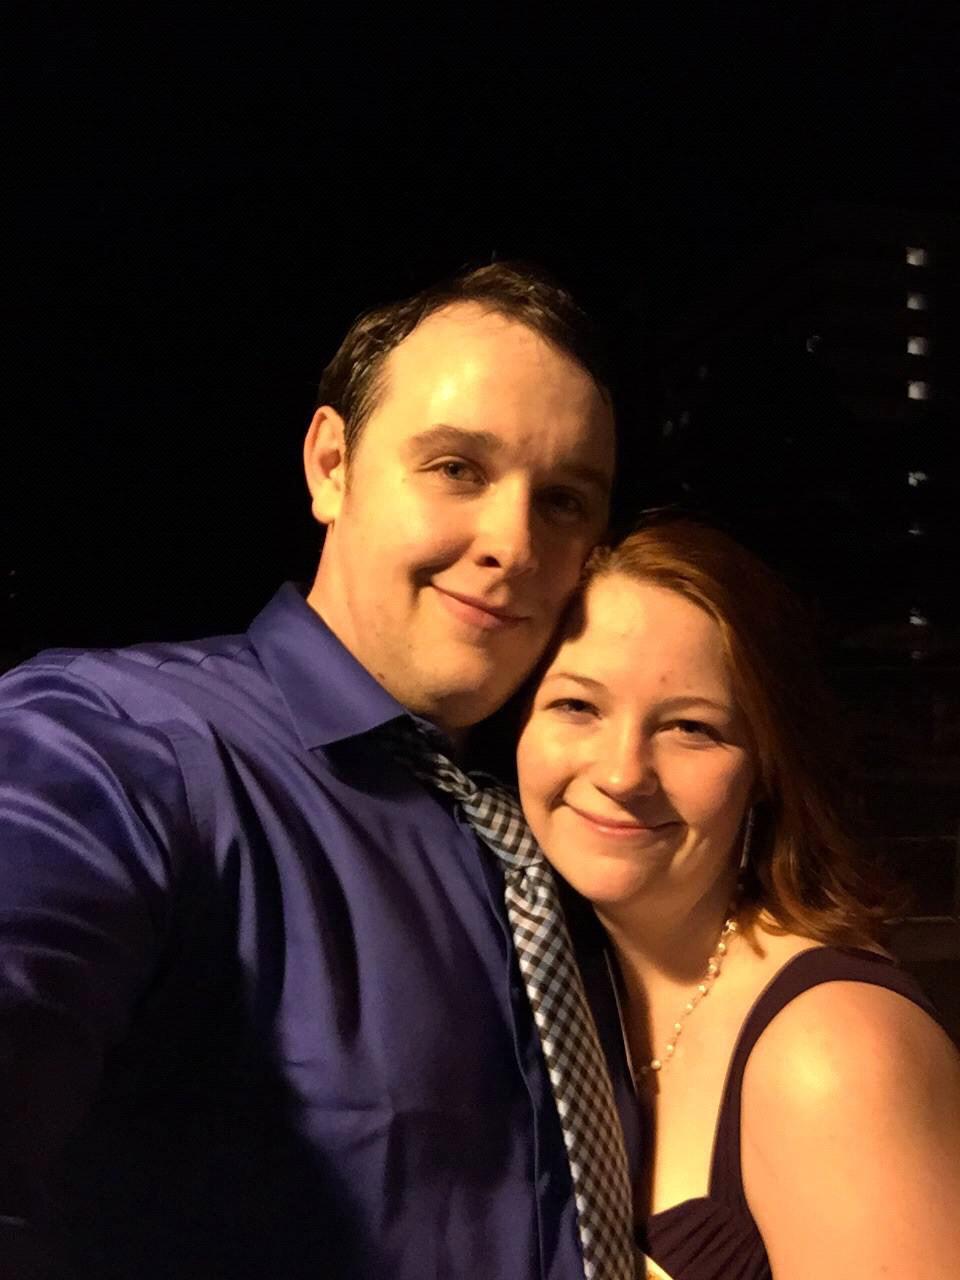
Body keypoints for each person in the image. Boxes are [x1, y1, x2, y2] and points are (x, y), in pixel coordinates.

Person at [0, 263, 635, 1279]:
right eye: (457, 467)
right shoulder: (129, 743)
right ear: (331, 465)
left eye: (563, 501)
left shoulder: (569, 821)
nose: (514, 544)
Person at [517, 518, 960, 1280]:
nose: (623, 774)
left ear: (764, 771)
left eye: (692, 728)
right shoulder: (566, 985)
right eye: (578, 707)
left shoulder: (834, 1055)